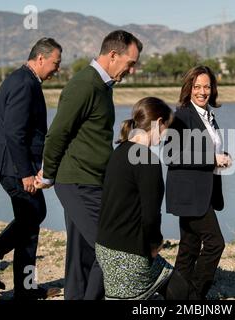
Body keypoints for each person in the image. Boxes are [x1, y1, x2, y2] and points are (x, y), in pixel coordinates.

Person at [34, 30, 142, 300]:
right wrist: (47, 175)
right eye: (131, 62)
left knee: (81, 254)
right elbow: (58, 133)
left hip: (93, 181)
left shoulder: (103, 87)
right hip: (78, 183)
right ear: (113, 55)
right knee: (111, 249)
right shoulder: (84, 85)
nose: (133, 69)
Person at [0, 38, 62, 300]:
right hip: (13, 165)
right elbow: (14, 132)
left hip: (13, 163)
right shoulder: (24, 83)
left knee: (30, 222)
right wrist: (26, 173)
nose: (57, 69)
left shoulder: (24, 79)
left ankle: (26, 289)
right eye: (55, 63)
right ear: (40, 58)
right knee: (33, 215)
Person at [95, 97, 188, 300]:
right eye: (167, 129)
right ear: (159, 123)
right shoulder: (147, 160)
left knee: (176, 287)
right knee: (181, 291)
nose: (166, 135)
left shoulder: (119, 151)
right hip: (128, 255)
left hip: (104, 249)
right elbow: (150, 214)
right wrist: (154, 245)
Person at [164, 65, 232, 300]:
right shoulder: (181, 115)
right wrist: (211, 158)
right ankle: (195, 297)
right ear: (188, 88)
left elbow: (207, 150)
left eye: (207, 86)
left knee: (188, 249)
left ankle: (174, 298)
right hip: (189, 195)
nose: (202, 91)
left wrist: (222, 158)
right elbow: (170, 155)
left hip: (204, 193)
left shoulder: (208, 115)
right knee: (215, 244)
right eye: (197, 87)